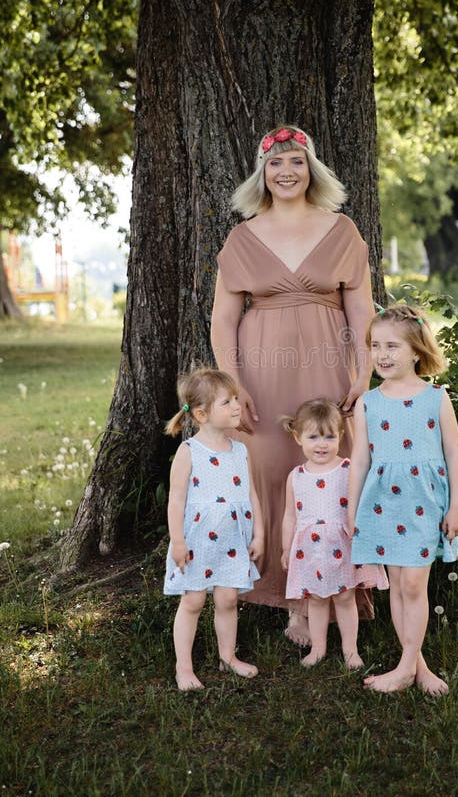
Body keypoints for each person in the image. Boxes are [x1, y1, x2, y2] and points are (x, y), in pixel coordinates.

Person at [211, 125, 374, 646]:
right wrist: (234, 386)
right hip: (261, 371)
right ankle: (281, 595)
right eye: (276, 162)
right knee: (269, 467)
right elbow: (222, 319)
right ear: (263, 173)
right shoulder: (242, 236)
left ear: (311, 170)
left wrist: (362, 373)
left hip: (327, 367)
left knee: (325, 472)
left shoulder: (342, 230)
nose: (286, 171)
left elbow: (362, 310)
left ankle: (321, 600)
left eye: (296, 162)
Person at [347, 303, 458, 695]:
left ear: (416, 350)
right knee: (398, 584)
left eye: (393, 346)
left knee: (414, 583)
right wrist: (352, 509)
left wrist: (457, 506)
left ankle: (403, 668)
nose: (382, 354)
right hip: (384, 502)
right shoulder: (369, 402)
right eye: (376, 345)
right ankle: (416, 666)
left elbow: (454, 454)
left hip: (424, 502)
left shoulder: (436, 397)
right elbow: (361, 458)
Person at [163, 367, 264, 691]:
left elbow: (251, 495)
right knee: (193, 601)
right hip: (196, 542)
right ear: (202, 414)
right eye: (227, 402)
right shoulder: (189, 451)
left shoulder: (240, 450)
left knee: (228, 599)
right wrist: (177, 542)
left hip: (232, 541)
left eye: (236, 399)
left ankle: (227, 657)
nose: (237, 406)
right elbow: (176, 501)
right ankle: (184, 668)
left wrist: (259, 534)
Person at [280, 398, 389, 668]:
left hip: (342, 545)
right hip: (310, 549)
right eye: (314, 437)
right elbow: (290, 515)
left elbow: (363, 507)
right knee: (316, 600)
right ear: (298, 438)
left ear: (341, 436)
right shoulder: (296, 476)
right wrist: (286, 549)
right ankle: (318, 648)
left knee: (344, 597)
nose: (322, 444)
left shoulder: (348, 469)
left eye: (329, 436)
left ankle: (350, 650)